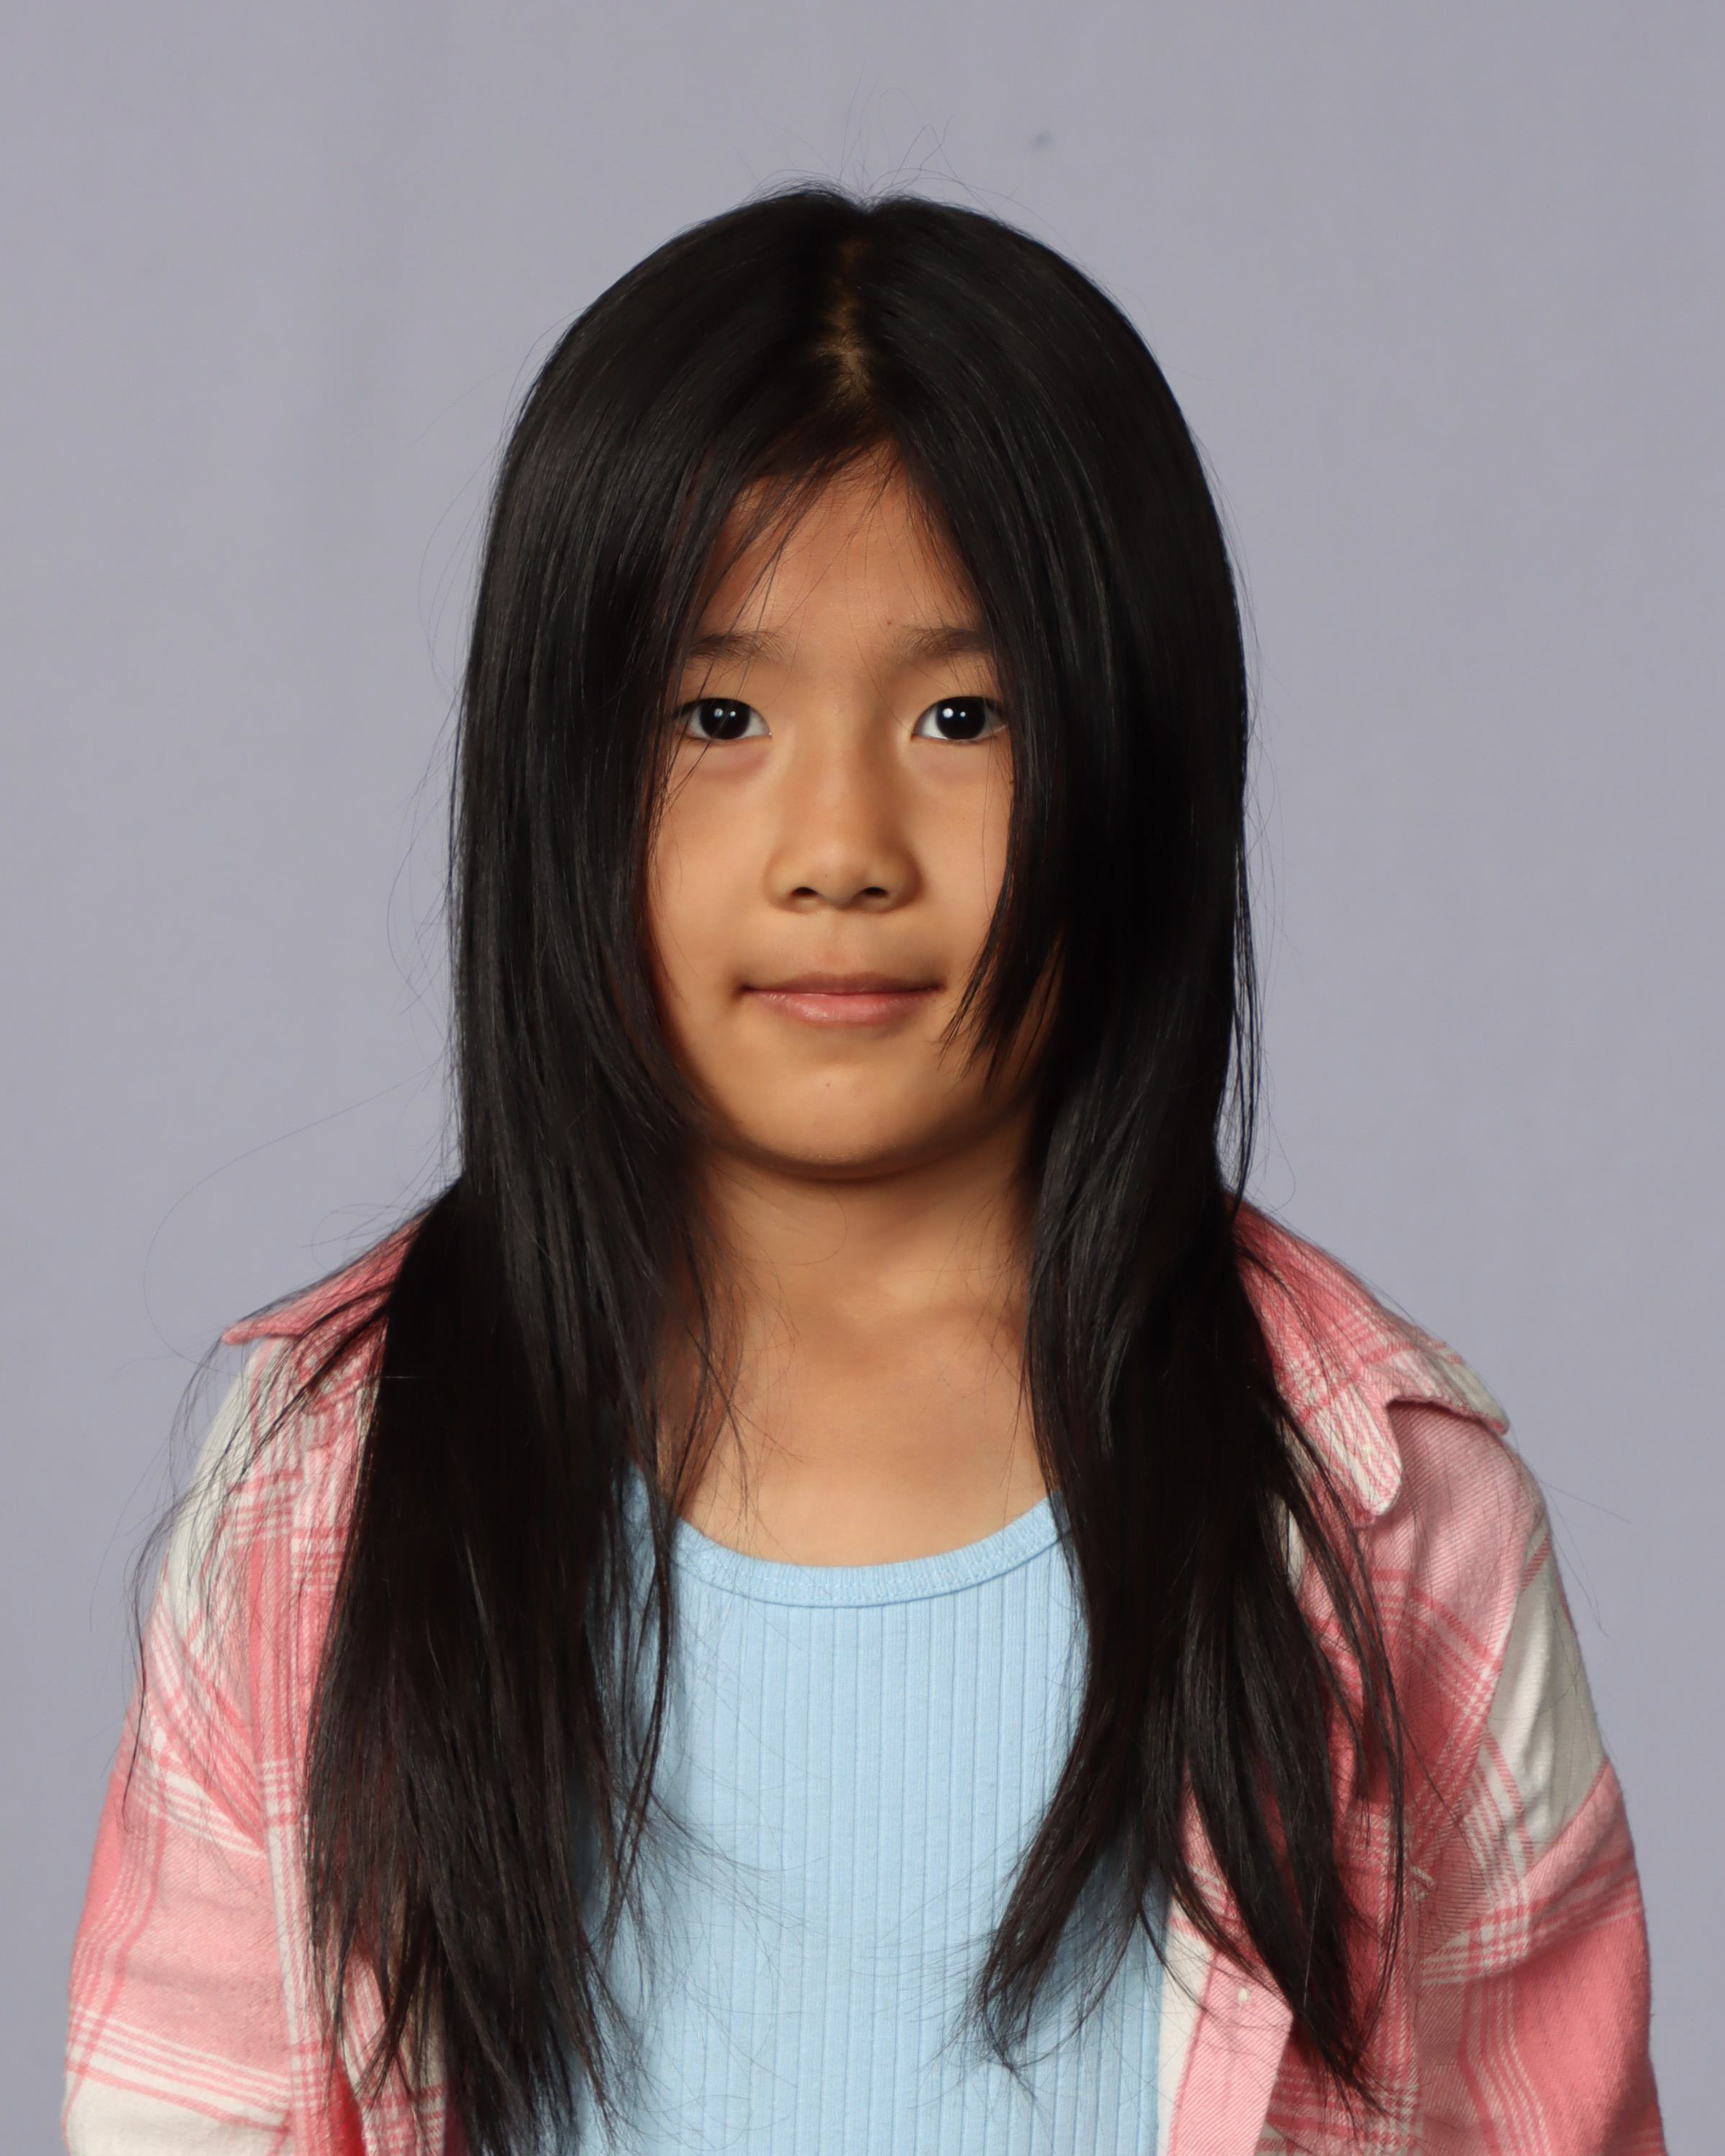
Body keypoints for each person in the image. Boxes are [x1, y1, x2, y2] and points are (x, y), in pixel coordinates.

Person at [63, 185, 1664, 2155]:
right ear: (559, 775)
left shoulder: (1378, 1507)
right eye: (718, 715)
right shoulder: (331, 1483)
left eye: (960, 717)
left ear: (1139, 766)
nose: (841, 844)